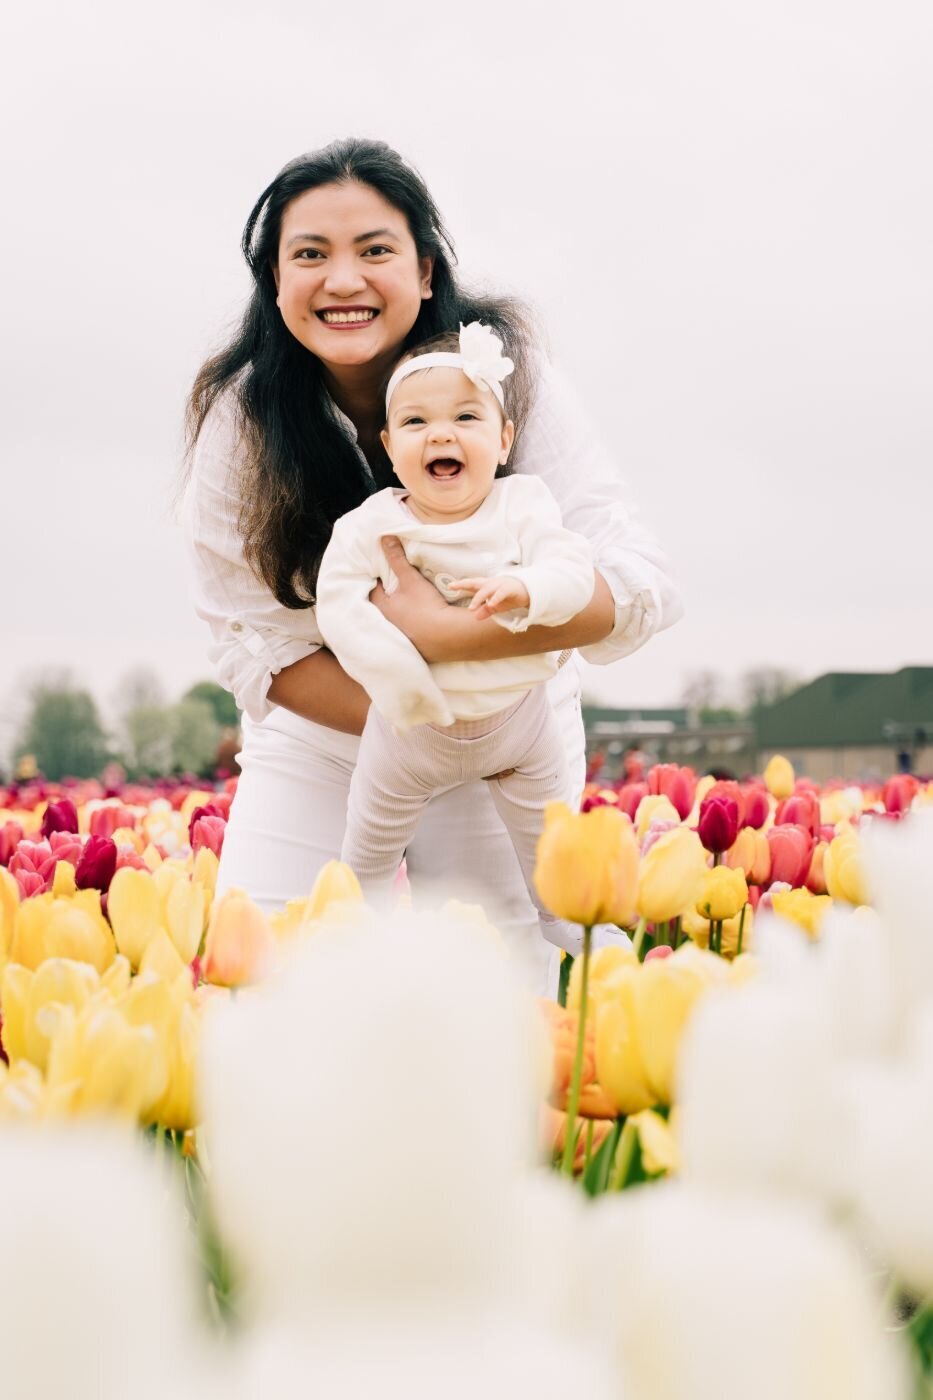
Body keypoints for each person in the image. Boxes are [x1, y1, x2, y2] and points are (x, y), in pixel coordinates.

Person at [182, 136, 682, 990]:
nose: (343, 281)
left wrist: (448, 643)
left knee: (513, 985)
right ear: (276, 284)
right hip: (326, 730)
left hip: (508, 726)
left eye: (374, 251)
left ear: (423, 272)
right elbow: (254, 646)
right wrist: (414, 702)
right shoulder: (244, 420)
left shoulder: (508, 380)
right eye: (310, 255)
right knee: (269, 977)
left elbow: (632, 579)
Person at [315, 322, 594, 954]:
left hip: (520, 725)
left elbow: (573, 567)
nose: (441, 433)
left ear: (503, 440)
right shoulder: (374, 524)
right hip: (410, 731)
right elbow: (338, 605)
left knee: (551, 851)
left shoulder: (523, 504)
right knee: (367, 855)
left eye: (465, 416)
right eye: (416, 423)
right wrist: (401, 681)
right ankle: (355, 946)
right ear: (389, 448)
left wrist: (529, 590)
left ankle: (580, 934)